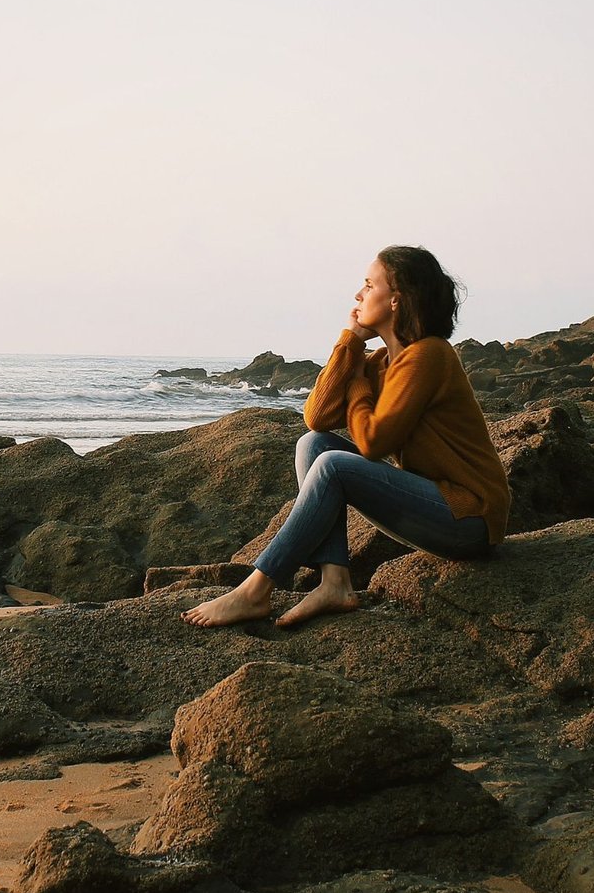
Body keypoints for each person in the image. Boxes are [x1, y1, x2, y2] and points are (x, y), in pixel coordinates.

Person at [182, 245, 510, 628]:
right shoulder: (379, 363)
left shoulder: (430, 355)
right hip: (433, 502)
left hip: (469, 517)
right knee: (314, 445)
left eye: (370, 285)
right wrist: (351, 341)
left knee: (334, 465)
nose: (358, 295)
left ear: (396, 300)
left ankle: (256, 590)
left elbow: (372, 442)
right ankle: (334, 580)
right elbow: (316, 418)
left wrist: (356, 386)